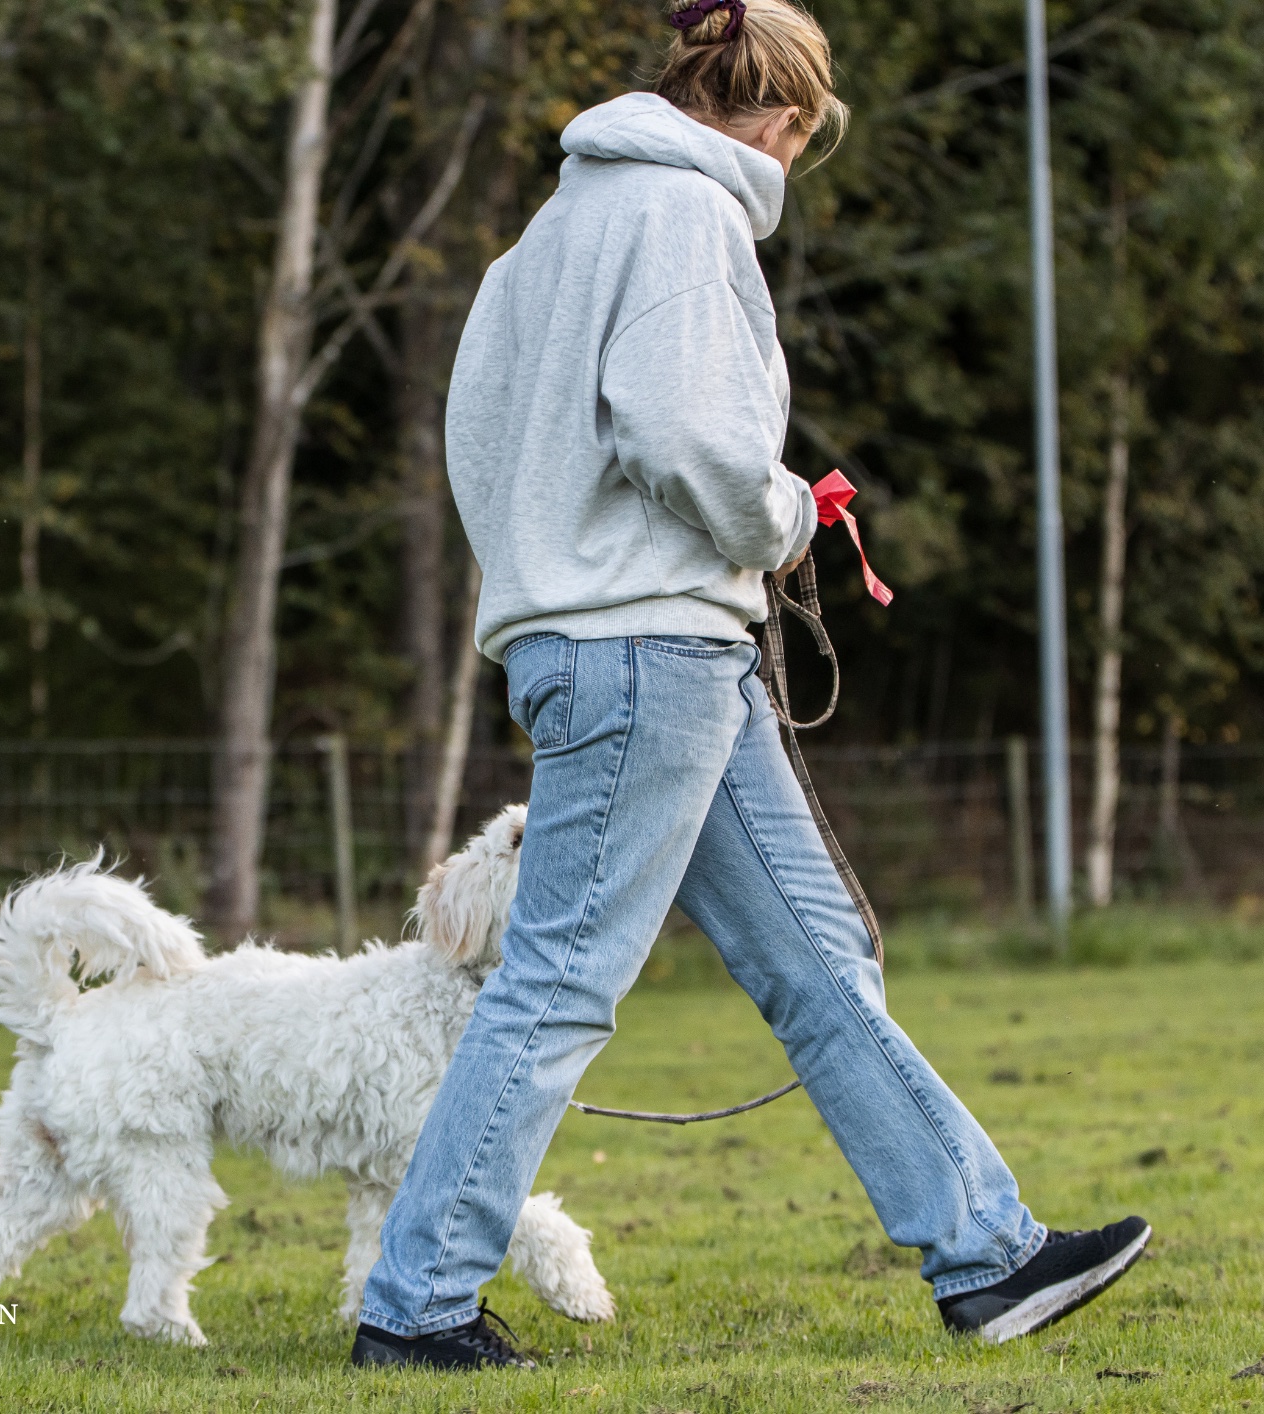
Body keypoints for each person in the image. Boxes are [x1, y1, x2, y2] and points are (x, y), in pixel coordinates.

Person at [349, 0, 1148, 1371]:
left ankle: (987, 1254)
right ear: (784, 118)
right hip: (645, 645)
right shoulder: (687, 216)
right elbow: (681, 429)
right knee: (555, 982)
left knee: (815, 958)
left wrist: (551, 569)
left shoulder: (546, 237)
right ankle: (415, 1308)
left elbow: (480, 434)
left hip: (612, 636)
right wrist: (781, 516)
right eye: (804, 137)